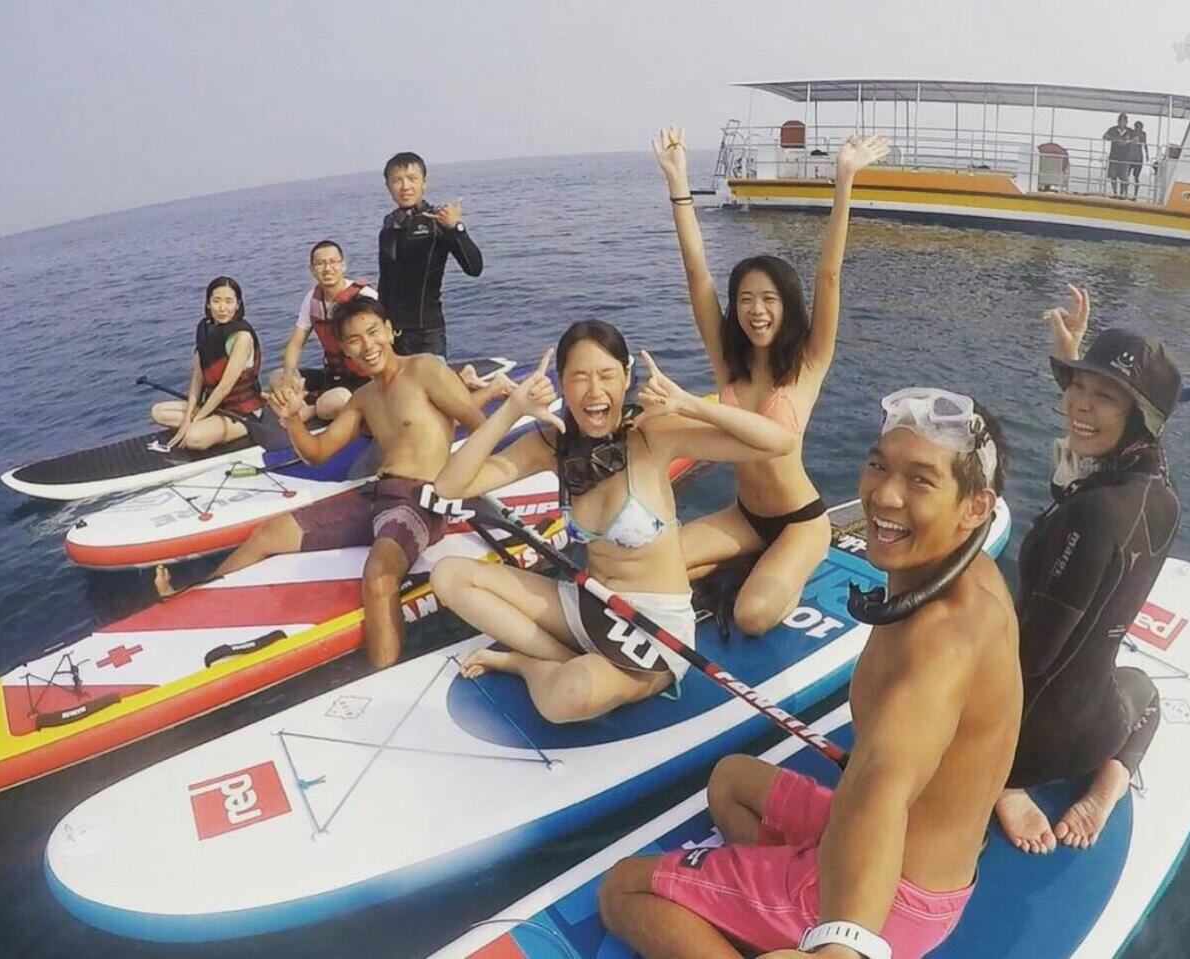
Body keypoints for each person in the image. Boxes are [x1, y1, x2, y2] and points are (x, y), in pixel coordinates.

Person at [597, 388, 1021, 959]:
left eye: (921, 481)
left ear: (975, 507)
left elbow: (882, 783)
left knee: (624, 888)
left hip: (885, 899)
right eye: (879, 466)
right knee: (731, 780)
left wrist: (843, 942)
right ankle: (776, 906)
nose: (885, 494)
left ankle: (802, 926)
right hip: (923, 873)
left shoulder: (942, 639)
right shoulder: (979, 580)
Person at [429, 320, 797, 723]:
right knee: (448, 575)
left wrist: (688, 404)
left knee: (567, 698)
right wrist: (511, 409)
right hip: (588, 605)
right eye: (579, 377)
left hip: (653, 628)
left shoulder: (653, 435)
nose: (594, 390)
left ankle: (527, 664)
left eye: (606, 375)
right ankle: (560, 657)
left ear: (625, 378)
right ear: (562, 384)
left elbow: (779, 442)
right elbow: (450, 485)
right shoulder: (549, 444)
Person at [154, 298, 514, 669]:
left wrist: (474, 487)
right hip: (377, 495)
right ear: (345, 349)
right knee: (267, 535)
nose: (368, 345)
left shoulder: (425, 370)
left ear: (390, 330)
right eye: (354, 340)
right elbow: (318, 452)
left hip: (420, 501)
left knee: (379, 577)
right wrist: (293, 419)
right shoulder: (363, 398)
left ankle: (384, 674)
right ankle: (191, 596)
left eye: (373, 332)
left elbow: (478, 426)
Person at [651, 127, 888, 636]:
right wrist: (678, 183)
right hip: (744, 516)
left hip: (799, 522)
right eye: (745, 300)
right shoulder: (729, 363)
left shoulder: (809, 362)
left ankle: (789, 568)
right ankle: (746, 561)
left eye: (768, 299)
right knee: (650, 567)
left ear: (786, 306)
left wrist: (844, 179)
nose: (756, 310)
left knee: (752, 616)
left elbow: (829, 274)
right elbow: (697, 275)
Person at [993, 285, 1183, 854]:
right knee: (1145, 692)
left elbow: (1029, 659)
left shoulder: (1092, 514)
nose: (1078, 403)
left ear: (1138, 419)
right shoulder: (1161, 495)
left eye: (1103, 396)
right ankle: (1111, 782)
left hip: (1021, 746)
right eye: (1076, 385)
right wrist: (1073, 356)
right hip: (1099, 731)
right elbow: (1090, 457)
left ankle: (1004, 787)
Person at [379, 151, 484, 359]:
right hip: (391, 333)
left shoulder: (439, 220)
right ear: (388, 186)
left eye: (412, 178)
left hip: (427, 334)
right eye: (397, 180)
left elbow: (475, 268)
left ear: (424, 182)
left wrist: (456, 228)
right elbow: (386, 279)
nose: (405, 186)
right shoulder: (390, 224)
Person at [149, 276, 266, 451]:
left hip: (243, 412)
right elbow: (197, 380)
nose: (222, 308)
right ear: (208, 304)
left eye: (229, 301)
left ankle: (211, 427)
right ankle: (205, 423)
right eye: (216, 301)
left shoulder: (242, 337)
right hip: (215, 407)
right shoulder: (205, 329)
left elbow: (224, 388)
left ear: (238, 305)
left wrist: (194, 421)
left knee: (193, 437)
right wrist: (188, 417)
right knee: (158, 412)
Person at [275, 240, 379, 420]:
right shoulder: (312, 298)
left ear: (343, 265)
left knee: (333, 403)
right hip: (333, 374)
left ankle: (312, 410)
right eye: (320, 264)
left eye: (333, 262)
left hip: (365, 378)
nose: (327, 269)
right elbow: (296, 343)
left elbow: (383, 340)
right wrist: (286, 381)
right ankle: (299, 404)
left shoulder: (364, 296)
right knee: (277, 376)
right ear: (312, 270)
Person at [1102, 113, 1132, 198]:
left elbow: (1136, 139)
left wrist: (1127, 142)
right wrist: (1114, 139)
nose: (1122, 123)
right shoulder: (1113, 129)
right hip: (1114, 156)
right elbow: (1105, 136)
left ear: (1126, 122)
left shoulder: (1130, 131)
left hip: (1125, 157)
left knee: (1124, 178)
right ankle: (1115, 193)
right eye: (1120, 121)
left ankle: (1124, 194)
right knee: (1113, 176)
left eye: (1124, 121)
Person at [1125, 121, 1149, 200]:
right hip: (1131, 157)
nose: (1138, 129)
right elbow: (1127, 142)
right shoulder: (1131, 133)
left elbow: (1145, 144)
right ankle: (1125, 194)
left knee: (1136, 177)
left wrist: (1147, 155)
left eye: (1139, 128)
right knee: (1127, 176)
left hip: (1138, 158)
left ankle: (1135, 195)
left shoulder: (1143, 134)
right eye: (1137, 127)